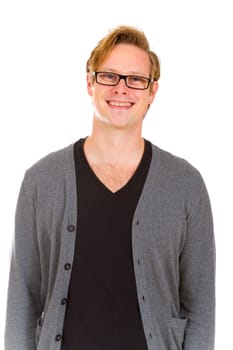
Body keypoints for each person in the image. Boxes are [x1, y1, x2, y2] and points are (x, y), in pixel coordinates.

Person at [4, 25, 215, 350]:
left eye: (135, 79)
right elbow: (23, 299)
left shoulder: (187, 185)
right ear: (90, 82)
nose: (122, 88)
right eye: (109, 76)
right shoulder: (40, 180)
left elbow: (200, 306)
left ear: (151, 92)